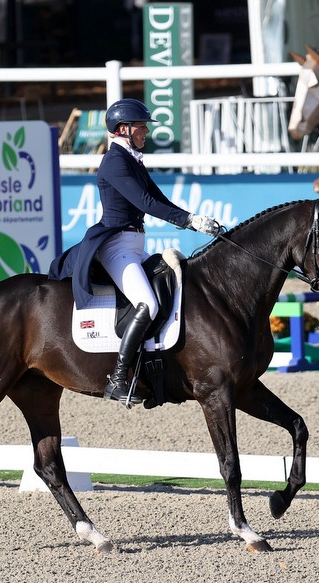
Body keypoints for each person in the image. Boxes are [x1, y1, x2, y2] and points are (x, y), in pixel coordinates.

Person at [48, 98, 221, 405]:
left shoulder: (133, 159)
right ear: (124, 129)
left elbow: (157, 196)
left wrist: (192, 219)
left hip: (134, 246)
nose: (145, 133)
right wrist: (189, 221)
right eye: (141, 127)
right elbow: (146, 203)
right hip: (116, 247)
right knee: (148, 304)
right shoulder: (115, 161)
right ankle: (117, 378)